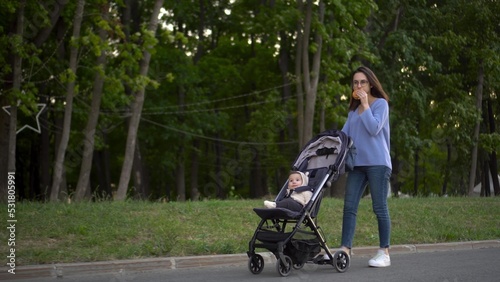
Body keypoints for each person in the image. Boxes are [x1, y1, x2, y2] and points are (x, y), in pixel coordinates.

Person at [339, 66, 392, 267]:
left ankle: (384, 252)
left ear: (370, 84)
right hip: (357, 165)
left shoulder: (381, 105)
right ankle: (345, 249)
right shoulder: (353, 111)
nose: (359, 85)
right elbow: (344, 136)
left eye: (362, 82)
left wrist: (365, 104)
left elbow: (373, 128)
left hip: (378, 163)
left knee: (379, 207)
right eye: (355, 82)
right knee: (349, 207)